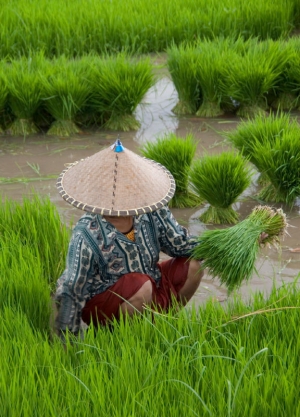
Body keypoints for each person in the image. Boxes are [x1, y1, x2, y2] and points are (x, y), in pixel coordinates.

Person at [54, 139, 203, 340]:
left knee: (194, 265)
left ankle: (160, 326)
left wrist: (228, 242)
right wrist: (67, 338)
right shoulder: (86, 233)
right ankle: (117, 337)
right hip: (103, 299)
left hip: (148, 284)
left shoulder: (152, 210)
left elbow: (181, 244)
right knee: (142, 285)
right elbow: (74, 287)